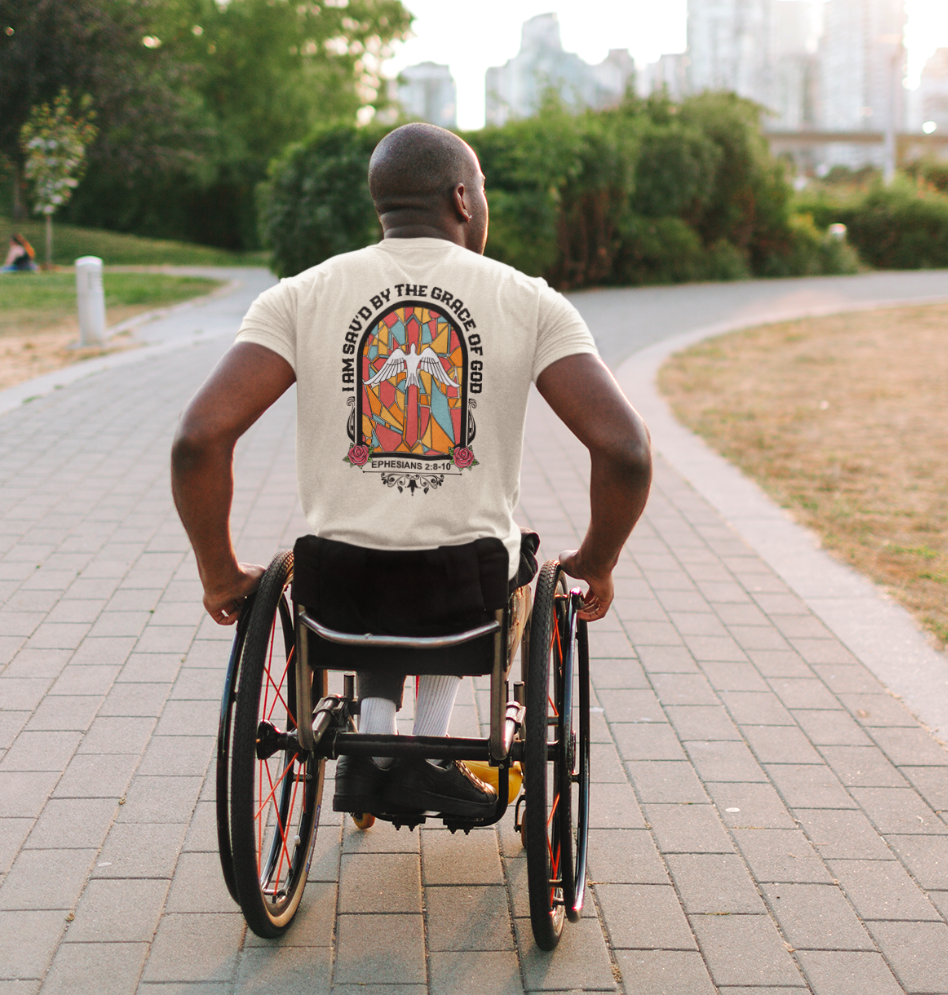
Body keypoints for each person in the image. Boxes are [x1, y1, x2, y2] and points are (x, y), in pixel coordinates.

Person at [171, 123, 652, 818]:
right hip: (468, 589)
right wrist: (599, 561)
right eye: (481, 190)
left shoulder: (300, 296)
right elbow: (626, 450)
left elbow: (198, 438)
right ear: (462, 198)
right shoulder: (528, 301)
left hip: (338, 591)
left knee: (380, 556)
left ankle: (375, 745)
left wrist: (219, 570)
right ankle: (426, 750)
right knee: (510, 567)